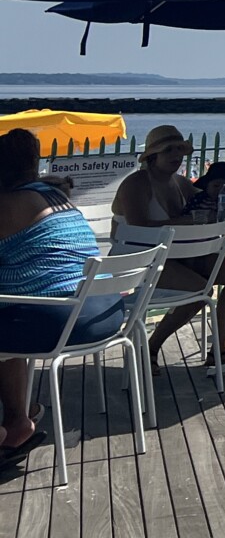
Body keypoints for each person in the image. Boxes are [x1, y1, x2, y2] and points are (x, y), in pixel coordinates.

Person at [0, 129, 126, 459]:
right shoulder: (56, 195)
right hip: (106, 311)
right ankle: (17, 421)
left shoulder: (8, 204)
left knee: (7, 326)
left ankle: (15, 420)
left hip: (64, 318)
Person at [111, 125, 225, 371]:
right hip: (140, 259)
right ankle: (151, 347)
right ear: (153, 156)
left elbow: (206, 202)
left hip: (175, 256)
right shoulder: (136, 183)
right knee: (199, 290)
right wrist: (184, 221)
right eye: (169, 151)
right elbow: (138, 227)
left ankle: (220, 349)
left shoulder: (181, 182)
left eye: (180, 150)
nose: (177, 156)